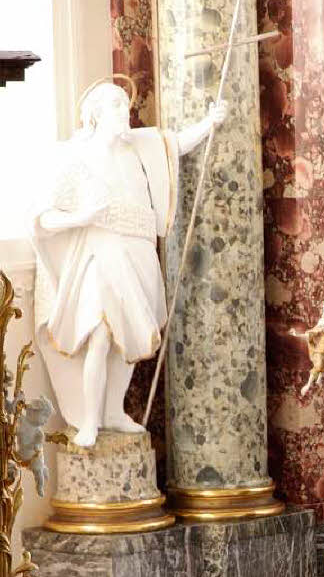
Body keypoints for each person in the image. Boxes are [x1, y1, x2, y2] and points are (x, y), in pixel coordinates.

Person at [29, 81, 227, 447]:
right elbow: (43, 218)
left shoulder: (138, 147)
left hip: (139, 247)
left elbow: (176, 145)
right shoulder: (75, 157)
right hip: (101, 249)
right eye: (117, 106)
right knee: (101, 334)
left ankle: (113, 412)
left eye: (125, 104)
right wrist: (83, 217)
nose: (126, 112)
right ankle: (89, 421)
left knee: (130, 335)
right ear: (96, 114)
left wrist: (209, 122)